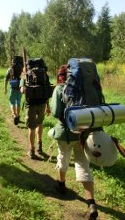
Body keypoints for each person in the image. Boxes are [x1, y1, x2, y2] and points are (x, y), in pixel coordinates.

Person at [49, 64, 98, 219]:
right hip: (82, 133)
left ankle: (61, 185)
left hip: (65, 133)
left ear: (60, 76)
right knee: (83, 164)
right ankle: (91, 203)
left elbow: (56, 112)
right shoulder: (83, 88)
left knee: (63, 157)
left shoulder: (59, 89)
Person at [20, 64, 51, 159]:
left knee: (31, 127)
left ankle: (31, 150)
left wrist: (26, 87)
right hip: (42, 103)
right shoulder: (45, 74)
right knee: (40, 123)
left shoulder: (25, 75)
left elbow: (22, 90)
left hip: (31, 104)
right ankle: (39, 144)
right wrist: (47, 106)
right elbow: (47, 90)